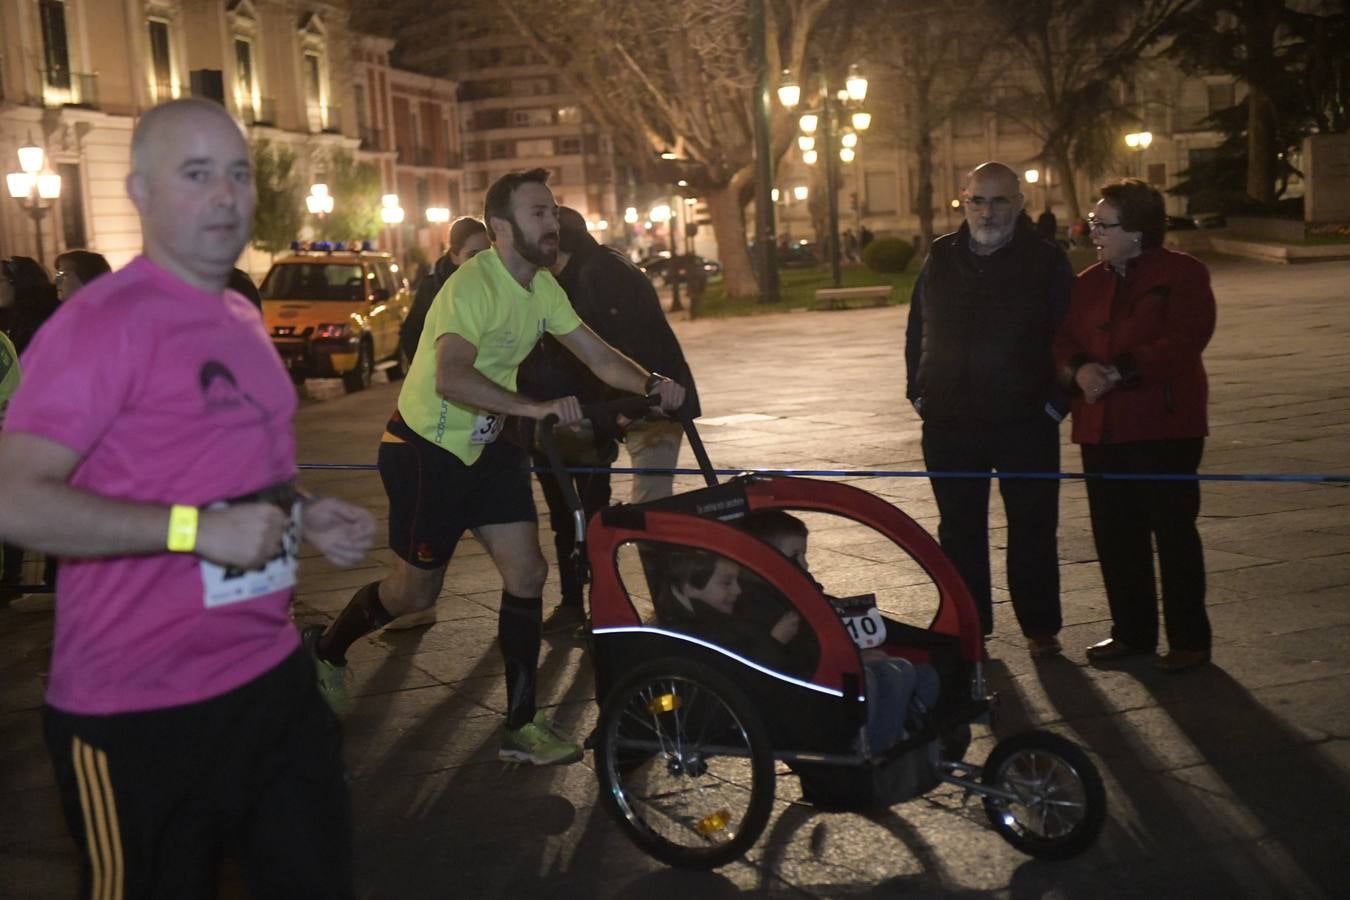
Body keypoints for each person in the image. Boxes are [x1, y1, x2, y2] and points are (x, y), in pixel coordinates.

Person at [0, 98, 376, 899]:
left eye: (237, 174)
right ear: (139, 193)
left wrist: (306, 513)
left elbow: (246, 473)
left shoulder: (240, 314)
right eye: (196, 174)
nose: (226, 195)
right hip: (134, 713)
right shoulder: (97, 327)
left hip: (270, 683)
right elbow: (14, 500)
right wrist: (191, 531)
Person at [308, 169, 686, 766]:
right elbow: (450, 375)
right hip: (426, 453)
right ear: (503, 228)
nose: (553, 222)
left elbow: (593, 353)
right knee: (413, 592)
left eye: (554, 210)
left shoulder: (542, 287)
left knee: (528, 574)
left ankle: (520, 724)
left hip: (491, 450)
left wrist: (653, 382)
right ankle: (326, 650)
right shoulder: (471, 286)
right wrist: (531, 407)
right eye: (539, 212)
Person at [904, 162, 1073, 658]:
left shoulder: (1045, 259)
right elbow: (918, 326)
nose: (988, 211)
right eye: (978, 200)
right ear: (964, 199)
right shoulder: (942, 254)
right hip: (950, 419)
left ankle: (1041, 628)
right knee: (958, 530)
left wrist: (1055, 404)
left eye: (1000, 201)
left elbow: (1070, 333)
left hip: (1025, 419)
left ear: (1019, 204)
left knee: (1034, 526)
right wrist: (918, 389)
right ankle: (969, 627)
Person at [1053, 178, 1216, 674]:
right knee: (1115, 533)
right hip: (1100, 427)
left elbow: (1185, 338)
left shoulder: (1183, 274)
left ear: (1140, 231)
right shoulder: (1086, 283)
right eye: (1093, 223)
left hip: (1164, 424)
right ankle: (1132, 632)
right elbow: (1059, 339)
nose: (1093, 232)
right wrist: (1079, 369)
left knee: (1173, 532)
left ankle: (1189, 639)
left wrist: (1122, 370)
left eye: (1105, 225)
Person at [517, 206, 702, 623]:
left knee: (651, 509)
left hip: (650, 405)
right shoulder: (590, 270)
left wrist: (630, 407)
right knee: (627, 508)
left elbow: (621, 351)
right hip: (627, 404)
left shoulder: (599, 278)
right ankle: (614, 605)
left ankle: (671, 612)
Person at [736, 510, 938, 753]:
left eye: (804, 555)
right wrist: (850, 659)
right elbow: (793, 653)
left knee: (918, 671)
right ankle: (876, 753)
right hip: (800, 682)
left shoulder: (798, 588)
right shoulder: (754, 603)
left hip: (824, 666)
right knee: (879, 677)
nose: (805, 564)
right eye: (794, 556)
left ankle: (908, 743)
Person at [400, 216, 491, 363]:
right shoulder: (433, 288)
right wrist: (431, 367)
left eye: (486, 255)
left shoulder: (496, 286)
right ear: (455, 255)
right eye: (472, 255)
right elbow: (410, 334)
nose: (481, 262)